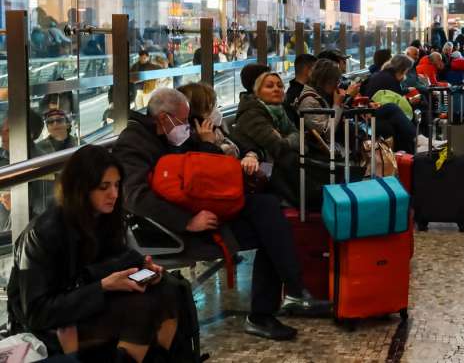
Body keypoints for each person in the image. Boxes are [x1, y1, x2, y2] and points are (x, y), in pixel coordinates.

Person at [114, 88, 328, 342]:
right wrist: (187, 222)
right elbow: (135, 197)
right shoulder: (134, 143)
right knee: (269, 231)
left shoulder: (176, 137)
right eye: (183, 121)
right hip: (174, 229)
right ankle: (272, 308)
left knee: (268, 208)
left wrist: (214, 145)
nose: (186, 127)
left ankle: (293, 290)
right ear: (163, 118)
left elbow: (211, 168)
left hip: (207, 208)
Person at [7, 145, 180, 362]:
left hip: (86, 299)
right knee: (141, 309)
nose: (114, 194)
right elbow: (37, 312)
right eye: (104, 187)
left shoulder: (103, 217)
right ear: (81, 188)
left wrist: (142, 268)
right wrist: (103, 286)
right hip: (52, 320)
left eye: (117, 185)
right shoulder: (42, 234)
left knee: (170, 288)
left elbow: (119, 256)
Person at [231, 73, 313, 208]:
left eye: (280, 86)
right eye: (269, 86)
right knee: (291, 158)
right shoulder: (251, 113)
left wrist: (285, 138)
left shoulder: (279, 111)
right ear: (257, 92)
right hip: (259, 168)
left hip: (272, 161)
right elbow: (278, 146)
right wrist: (289, 139)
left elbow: (299, 138)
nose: (276, 89)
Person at [285, 54, 317, 124]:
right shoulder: (301, 94)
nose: (318, 73)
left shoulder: (291, 91)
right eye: (316, 69)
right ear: (307, 70)